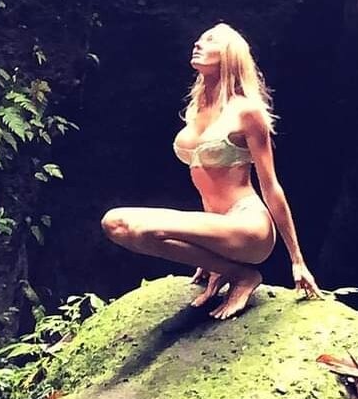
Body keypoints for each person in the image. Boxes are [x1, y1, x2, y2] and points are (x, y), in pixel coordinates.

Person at [100, 23, 323, 319]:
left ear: (230, 54)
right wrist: (210, 256)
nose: (198, 43)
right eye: (199, 38)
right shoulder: (197, 108)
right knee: (114, 223)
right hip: (219, 226)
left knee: (146, 229)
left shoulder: (247, 112)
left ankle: (243, 276)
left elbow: (271, 187)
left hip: (248, 226)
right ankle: (227, 269)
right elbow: (207, 187)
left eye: (210, 40)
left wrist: (297, 259)